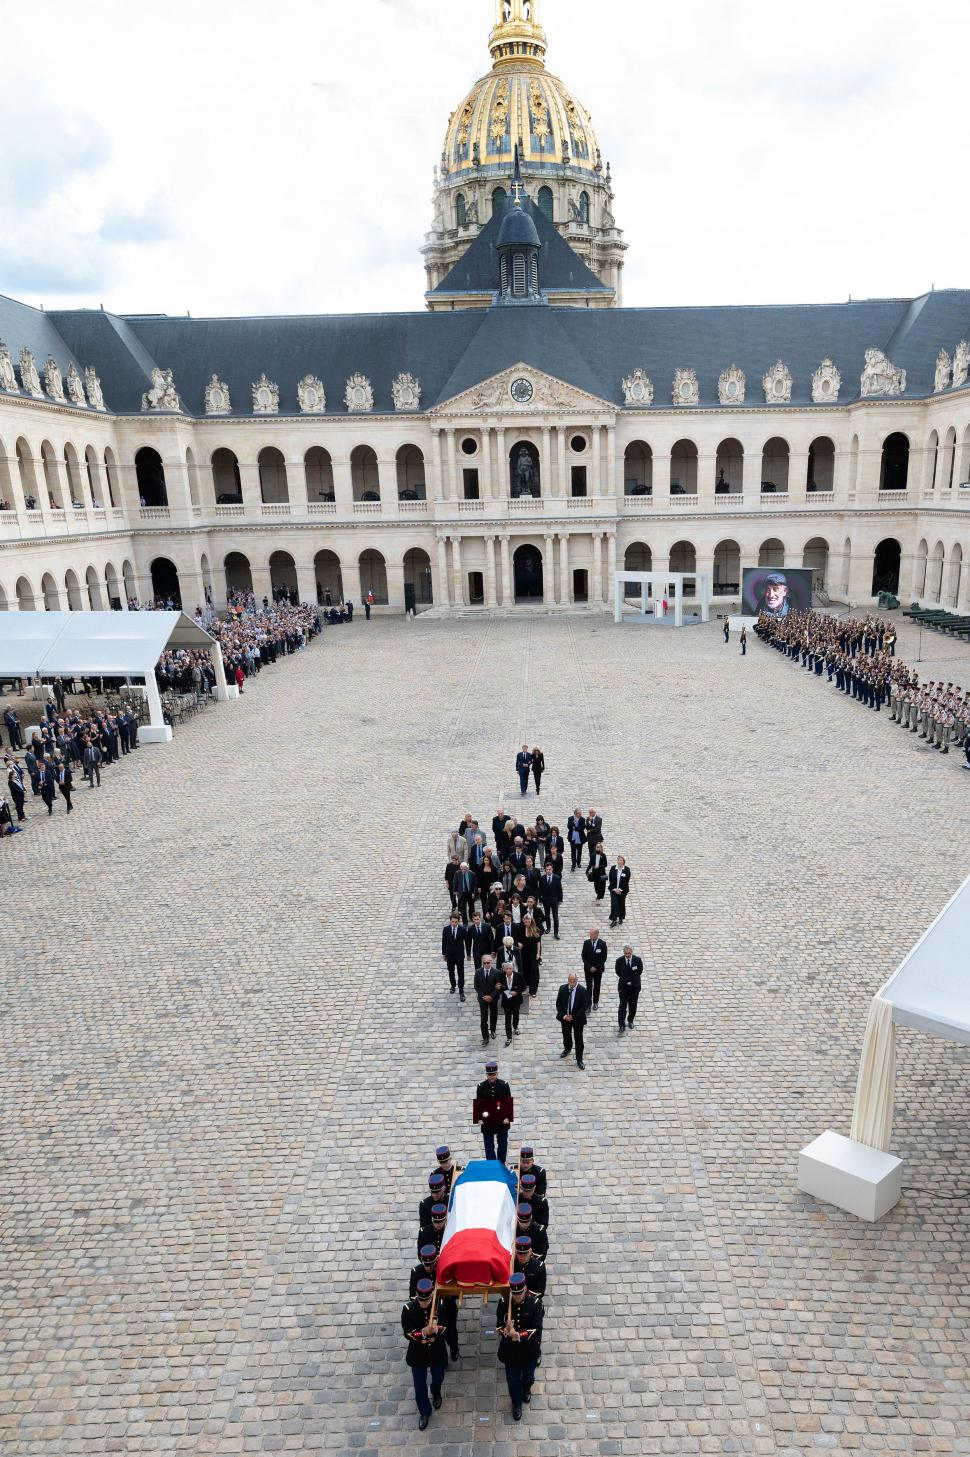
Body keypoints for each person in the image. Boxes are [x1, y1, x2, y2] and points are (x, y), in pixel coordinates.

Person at [496, 1273, 543, 1422]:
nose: (517, 1297)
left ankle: (527, 1387)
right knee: (512, 1381)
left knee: (529, 1376)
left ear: (525, 1289)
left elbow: (535, 1329)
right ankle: (516, 1403)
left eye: (520, 1293)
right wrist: (505, 1330)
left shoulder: (535, 1304)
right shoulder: (504, 1303)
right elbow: (498, 1326)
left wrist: (516, 1334)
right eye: (514, 1294)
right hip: (511, 1351)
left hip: (529, 1349)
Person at [401, 1278, 448, 1430]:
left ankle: (436, 1392)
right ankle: (424, 1412)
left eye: (427, 1299)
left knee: (438, 1376)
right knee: (419, 1385)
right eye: (422, 1300)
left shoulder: (439, 1305)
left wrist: (436, 1329)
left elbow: (445, 1326)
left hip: (436, 1349)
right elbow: (407, 1333)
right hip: (418, 1352)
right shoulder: (408, 1309)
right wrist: (423, 1332)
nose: (425, 1303)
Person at [475, 1061, 512, 1163]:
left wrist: (507, 1117)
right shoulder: (481, 1086)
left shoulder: (504, 1085)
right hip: (488, 1121)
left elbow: (508, 1103)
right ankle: (491, 1165)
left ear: (497, 1073)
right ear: (486, 1075)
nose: (491, 1077)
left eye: (493, 1074)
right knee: (488, 1145)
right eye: (489, 1075)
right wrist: (479, 1118)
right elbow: (478, 1104)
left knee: (503, 1143)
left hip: (501, 1120)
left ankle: (501, 1164)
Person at [556, 972, 588, 1069]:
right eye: (570, 981)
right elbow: (558, 1004)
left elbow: (585, 1006)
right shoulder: (562, 988)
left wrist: (573, 1016)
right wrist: (564, 1015)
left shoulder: (582, 991)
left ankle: (579, 1059)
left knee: (579, 1039)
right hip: (565, 1018)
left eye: (574, 981)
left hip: (577, 1019)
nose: (572, 983)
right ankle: (567, 1049)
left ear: (577, 980)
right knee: (566, 1034)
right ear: (568, 980)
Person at [616, 945, 644, 1033]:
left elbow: (639, 971)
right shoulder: (619, 961)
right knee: (622, 1006)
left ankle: (630, 1020)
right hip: (623, 987)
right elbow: (618, 972)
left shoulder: (637, 960)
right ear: (623, 953)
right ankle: (621, 1025)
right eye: (625, 954)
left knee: (633, 1006)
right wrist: (625, 980)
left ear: (631, 952)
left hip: (634, 987)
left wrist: (632, 980)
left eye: (629, 953)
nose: (627, 955)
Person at [499, 956, 525, 1045]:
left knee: (516, 1016)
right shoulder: (501, 976)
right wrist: (508, 993)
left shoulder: (519, 975)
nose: (509, 970)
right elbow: (500, 989)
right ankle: (509, 1037)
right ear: (504, 969)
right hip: (506, 1001)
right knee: (507, 1019)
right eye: (507, 969)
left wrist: (516, 993)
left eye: (510, 968)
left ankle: (516, 1027)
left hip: (516, 1000)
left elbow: (524, 987)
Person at [474, 955, 500, 1046]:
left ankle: (493, 1030)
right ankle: (485, 1037)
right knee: (483, 1018)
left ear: (491, 962)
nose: (486, 964)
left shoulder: (496, 972)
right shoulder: (478, 972)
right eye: (484, 963)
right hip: (482, 999)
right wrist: (484, 996)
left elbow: (498, 987)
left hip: (493, 998)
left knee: (493, 1015)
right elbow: (476, 986)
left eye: (488, 963)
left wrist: (491, 996)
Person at [441, 913, 467, 1000]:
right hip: (450, 955)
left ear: (458, 922)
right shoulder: (446, 929)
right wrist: (444, 954)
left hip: (459, 955)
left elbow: (466, 942)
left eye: (456, 922)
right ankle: (453, 985)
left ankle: (461, 991)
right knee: (451, 971)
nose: (454, 924)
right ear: (450, 921)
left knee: (461, 973)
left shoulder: (462, 929)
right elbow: (444, 942)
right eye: (452, 922)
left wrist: (467, 954)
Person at [581, 928, 608, 1010]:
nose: (590, 936)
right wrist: (589, 967)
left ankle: (595, 1002)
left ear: (597, 934)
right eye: (590, 934)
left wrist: (596, 967)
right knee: (588, 986)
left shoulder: (602, 944)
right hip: (588, 969)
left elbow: (604, 958)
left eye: (592, 934)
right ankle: (588, 1004)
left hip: (598, 969)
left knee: (597, 986)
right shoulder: (586, 943)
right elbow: (583, 956)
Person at [512, 1234, 547, 1299]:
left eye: (525, 1253)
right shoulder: (511, 1264)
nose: (522, 1257)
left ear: (530, 1251)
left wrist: (522, 1296)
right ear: (516, 1252)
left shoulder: (539, 1267)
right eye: (519, 1253)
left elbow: (540, 1291)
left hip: (531, 1300)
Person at [537, 861, 562, 940]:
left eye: (549, 869)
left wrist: (560, 899)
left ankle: (556, 933)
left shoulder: (557, 878)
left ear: (552, 869)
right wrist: (540, 899)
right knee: (547, 915)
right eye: (547, 869)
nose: (548, 871)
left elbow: (559, 889)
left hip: (554, 900)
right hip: (545, 900)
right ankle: (548, 928)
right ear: (545, 870)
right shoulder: (542, 878)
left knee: (555, 917)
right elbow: (540, 889)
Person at [519, 914, 543, 997]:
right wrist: (518, 943)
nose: (527, 923)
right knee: (524, 969)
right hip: (524, 952)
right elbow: (518, 939)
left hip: (533, 953)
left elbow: (538, 943)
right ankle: (525, 985)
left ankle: (533, 990)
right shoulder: (521, 929)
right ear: (524, 921)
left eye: (528, 921)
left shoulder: (536, 929)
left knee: (534, 971)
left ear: (531, 921)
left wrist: (538, 953)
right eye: (526, 921)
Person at [608, 855, 630, 927]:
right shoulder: (613, 868)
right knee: (614, 905)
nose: (619, 861)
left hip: (622, 891)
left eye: (621, 860)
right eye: (618, 860)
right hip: (614, 890)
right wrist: (615, 889)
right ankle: (614, 920)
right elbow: (610, 879)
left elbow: (626, 881)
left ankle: (621, 918)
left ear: (623, 861)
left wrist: (620, 889)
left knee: (621, 904)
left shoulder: (627, 869)